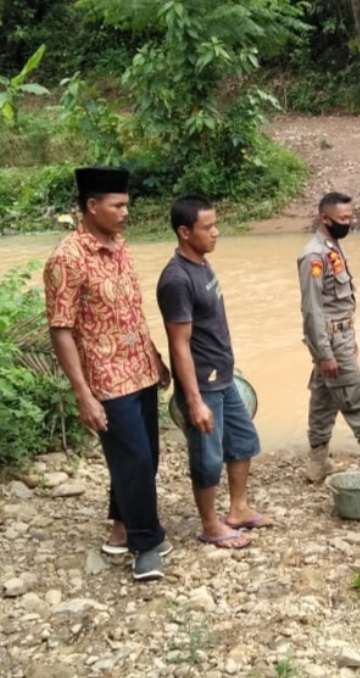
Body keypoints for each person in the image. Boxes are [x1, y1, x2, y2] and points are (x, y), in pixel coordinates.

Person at [44, 166, 172, 581]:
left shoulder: (120, 246)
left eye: (126, 204)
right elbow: (61, 329)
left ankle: (119, 530)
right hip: (105, 379)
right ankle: (145, 544)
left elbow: (131, 311)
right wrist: (83, 393)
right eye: (117, 205)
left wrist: (154, 356)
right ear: (92, 206)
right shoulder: (67, 259)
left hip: (139, 369)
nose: (125, 213)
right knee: (134, 460)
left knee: (146, 457)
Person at [157, 194, 271, 550]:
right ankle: (210, 524)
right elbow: (179, 344)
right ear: (184, 232)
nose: (216, 233)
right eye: (207, 228)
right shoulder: (176, 279)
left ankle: (237, 509)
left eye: (215, 225)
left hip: (224, 377)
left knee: (243, 442)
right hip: (202, 385)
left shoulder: (202, 265)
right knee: (207, 458)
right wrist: (193, 400)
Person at [297, 192, 360, 482]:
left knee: (323, 399)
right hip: (331, 340)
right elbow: (312, 310)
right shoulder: (314, 255)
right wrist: (325, 353)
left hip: (341, 336)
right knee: (357, 397)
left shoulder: (334, 246)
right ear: (324, 218)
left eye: (350, 217)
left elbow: (340, 302)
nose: (348, 223)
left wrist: (350, 336)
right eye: (343, 219)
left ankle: (317, 462)